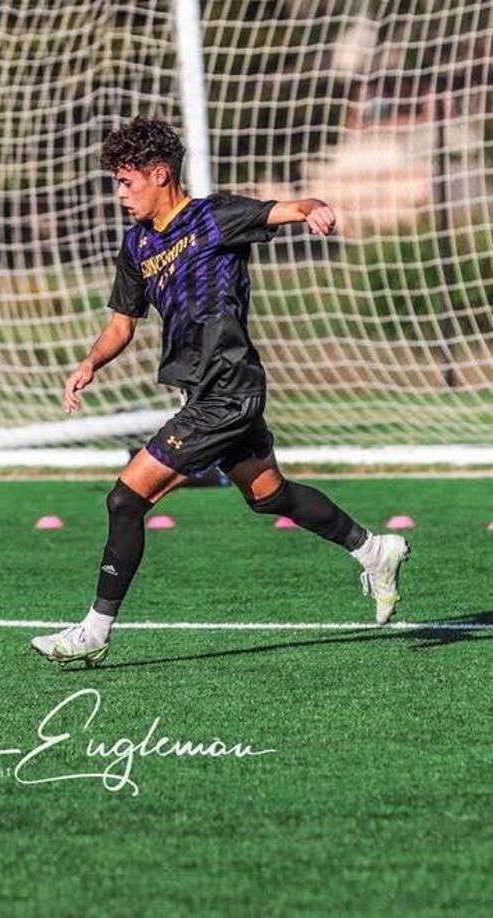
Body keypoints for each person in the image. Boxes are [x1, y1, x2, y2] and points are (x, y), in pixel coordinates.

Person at [31, 117, 409, 668]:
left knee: (126, 497)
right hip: (203, 393)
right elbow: (121, 324)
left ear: (160, 175)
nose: (119, 195)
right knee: (268, 496)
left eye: (126, 183)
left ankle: (93, 632)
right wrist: (90, 362)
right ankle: (375, 550)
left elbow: (287, 207)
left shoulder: (213, 217)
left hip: (228, 390)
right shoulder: (137, 244)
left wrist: (313, 208)